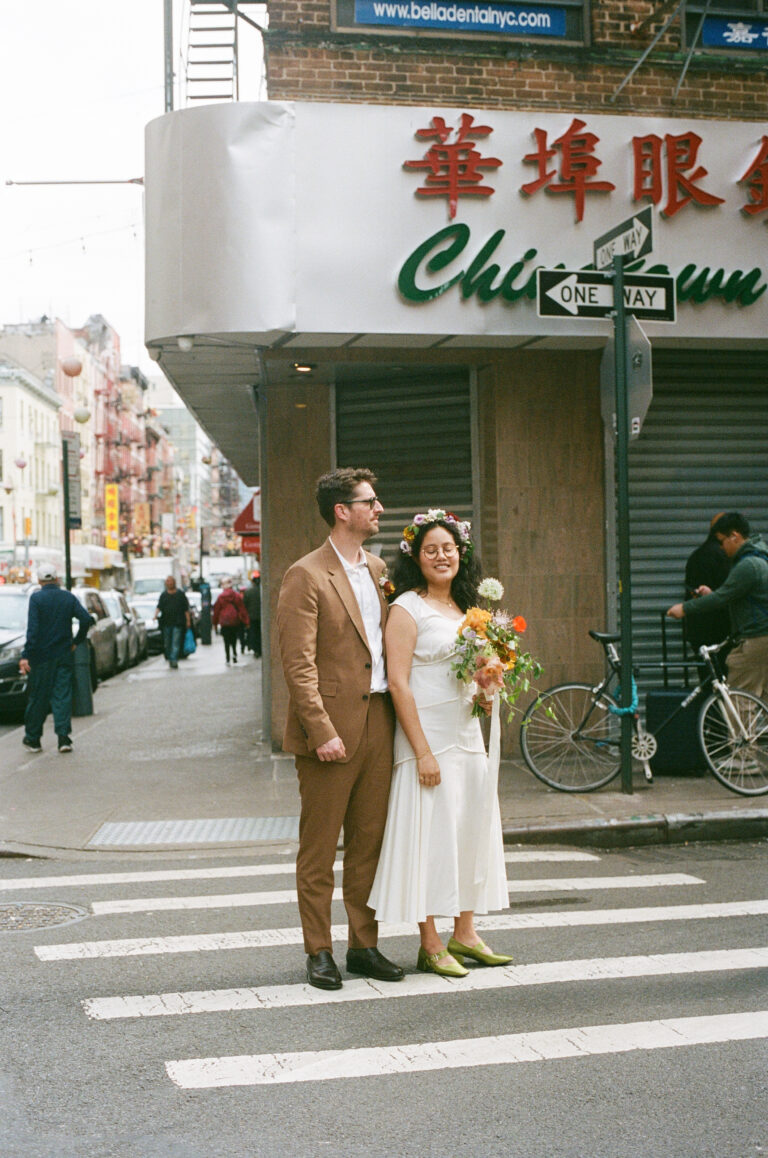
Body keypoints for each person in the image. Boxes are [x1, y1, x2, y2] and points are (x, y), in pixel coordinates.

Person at [368, 511, 511, 978]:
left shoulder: (469, 610)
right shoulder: (407, 608)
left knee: (469, 831)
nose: (441, 556)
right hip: (426, 740)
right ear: (416, 556)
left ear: (460, 553)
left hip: (466, 736)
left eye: (448, 548)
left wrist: (487, 687)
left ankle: (465, 933)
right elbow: (398, 683)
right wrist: (422, 752)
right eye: (430, 549)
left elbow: (471, 673)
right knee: (428, 839)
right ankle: (429, 942)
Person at [277, 467, 403, 991]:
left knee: (369, 843)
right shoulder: (305, 574)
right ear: (342, 511)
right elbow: (297, 664)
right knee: (320, 848)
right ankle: (319, 951)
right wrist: (321, 729)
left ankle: (363, 946)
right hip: (330, 731)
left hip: (379, 719)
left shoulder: (377, 568)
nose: (379, 509)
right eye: (370, 502)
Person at [668, 511, 768, 698]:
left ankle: (739, 720)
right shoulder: (760, 557)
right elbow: (735, 596)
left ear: (734, 536)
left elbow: (723, 597)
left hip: (756, 638)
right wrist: (712, 594)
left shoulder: (748, 565)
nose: (721, 548)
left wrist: (684, 608)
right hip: (762, 637)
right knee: (761, 698)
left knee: (739, 697)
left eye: (722, 541)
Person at [18, 565, 93, 754]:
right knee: (62, 696)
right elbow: (86, 619)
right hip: (63, 654)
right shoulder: (68, 597)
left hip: (41, 657)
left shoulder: (36, 599)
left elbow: (33, 630)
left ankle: (33, 739)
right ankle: (63, 738)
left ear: (40, 581)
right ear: (57, 579)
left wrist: (26, 655)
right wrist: (76, 641)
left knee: (38, 698)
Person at [683, 512, 731, 655]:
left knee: (706, 666)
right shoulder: (725, 556)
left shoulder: (696, 555)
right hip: (722, 629)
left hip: (697, 628)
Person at [155, 575, 191, 669]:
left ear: (174, 582)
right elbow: (159, 606)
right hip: (166, 623)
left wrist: (188, 620)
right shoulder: (163, 595)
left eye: (171, 581)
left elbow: (186, 609)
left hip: (178, 623)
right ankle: (170, 657)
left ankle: (173, 659)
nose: (169, 583)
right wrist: (155, 616)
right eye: (168, 581)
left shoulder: (180, 594)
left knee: (175, 642)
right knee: (167, 643)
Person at [212, 578, 248, 664]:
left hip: (224, 622)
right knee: (234, 638)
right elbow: (242, 609)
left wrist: (215, 623)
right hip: (234, 621)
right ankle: (234, 653)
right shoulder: (236, 596)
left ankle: (227, 657)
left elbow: (216, 611)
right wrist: (246, 621)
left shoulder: (220, 597)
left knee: (226, 640)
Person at [242, 571, 261, 657]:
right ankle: (260, 649)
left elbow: (244, 605)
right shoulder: (263, 592)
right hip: (261, 617)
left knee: (254, 634)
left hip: (252, 617)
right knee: (260, 633)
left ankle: (256, 650)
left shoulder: (248, 592)